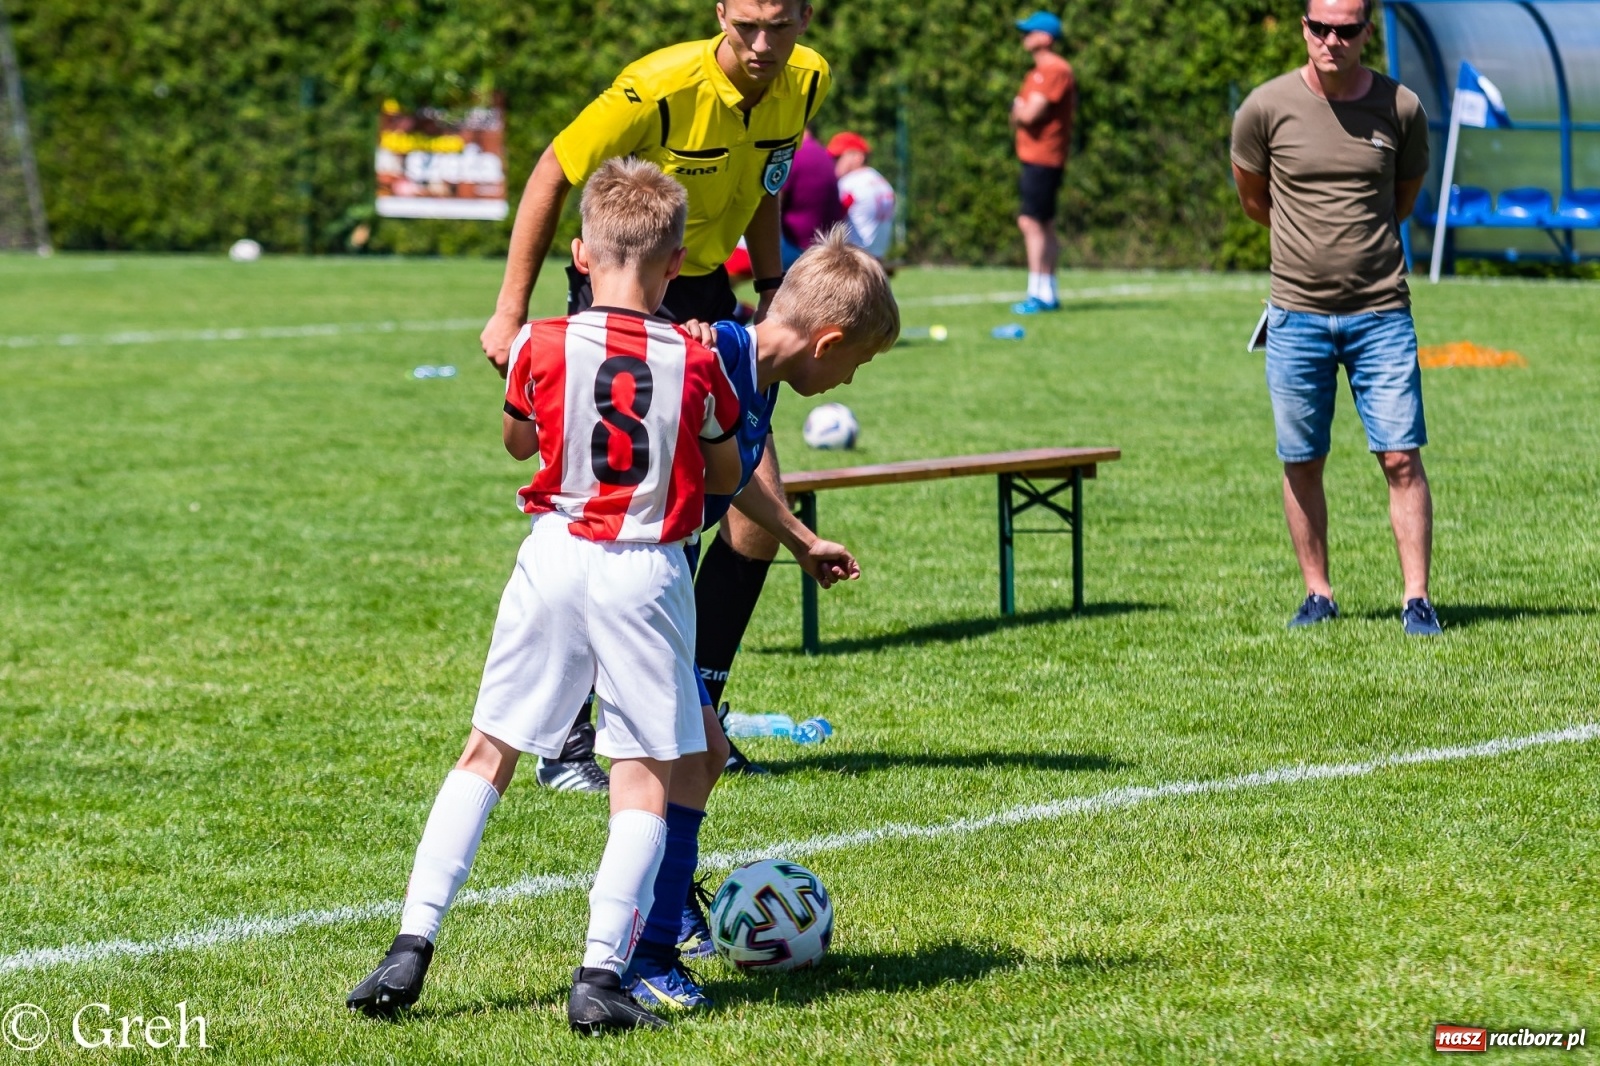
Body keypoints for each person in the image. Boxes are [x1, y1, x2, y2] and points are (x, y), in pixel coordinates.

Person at [346, 158, 744, 1034]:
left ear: (580, 253)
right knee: (642, 776)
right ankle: (600, 975)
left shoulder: (539, 343)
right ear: (678, 264)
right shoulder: (694, 355)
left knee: (487, 749)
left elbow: (518, 443)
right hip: (646, 563)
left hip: (556, 552)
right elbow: (723, 469)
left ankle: (411, 943)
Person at [477, 0, 836, 791]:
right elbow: (552, 171)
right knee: (625, 514)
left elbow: (765, 185)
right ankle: (565, 741)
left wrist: (774, 291)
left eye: (782, 25)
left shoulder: (806, 79)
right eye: (748, 26)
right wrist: (510, 308)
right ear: (720, 13)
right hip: (625, 290)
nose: (764, 44)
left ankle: (698, 714)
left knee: (753, 510)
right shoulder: (656, 87)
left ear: (807, 16)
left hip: (705, 286)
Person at [623, 224, 899, 1012]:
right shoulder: (710, 356)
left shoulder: (756, 370)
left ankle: (651, 933)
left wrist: (802, 539)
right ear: (829, 340)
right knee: (675, 762)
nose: (851, 379)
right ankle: (640, 951)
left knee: (696, 756)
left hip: (648, 576)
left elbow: (734, 470)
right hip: (630, 575)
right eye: (859, 361)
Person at [1230, 0, 1441, 636]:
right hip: (1295, 315)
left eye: (1346, 29)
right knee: (1302, 459)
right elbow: (1252, 198)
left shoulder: (1400, 108)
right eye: (1320, 27)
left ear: (1366, 32)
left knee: (1401, 457)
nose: (1331, 40)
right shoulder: (1264, 108)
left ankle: (1417, 600)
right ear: (1304, 28)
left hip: (1381, 313)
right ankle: (1318, 594)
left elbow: (1402, 198)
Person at [1009, 10, 1076, 315]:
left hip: (1043, 156)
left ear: (1046, 37)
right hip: (1035, 156)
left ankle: (1039, 292)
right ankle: (1045, 291)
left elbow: (1028, 113)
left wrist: (1020, 109)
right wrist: (1019, 110)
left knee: (1031, 222)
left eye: (1030, 32)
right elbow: (1018, 113)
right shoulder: (1036, 73)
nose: (1025, 37)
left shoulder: (1054, 70)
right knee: (1041, 223)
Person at [781, 128, 848, 267]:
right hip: (825, 246)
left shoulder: (794, 153)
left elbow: (772, 202)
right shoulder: (823, 153)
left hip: (796, 248)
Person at [827, 131, 896, 263]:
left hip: (853, 259)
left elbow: (831, 219)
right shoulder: (883, 182)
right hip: (877, 258)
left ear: (858, 156)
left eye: (838, 157)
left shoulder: (849, 184)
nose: (833, 162)